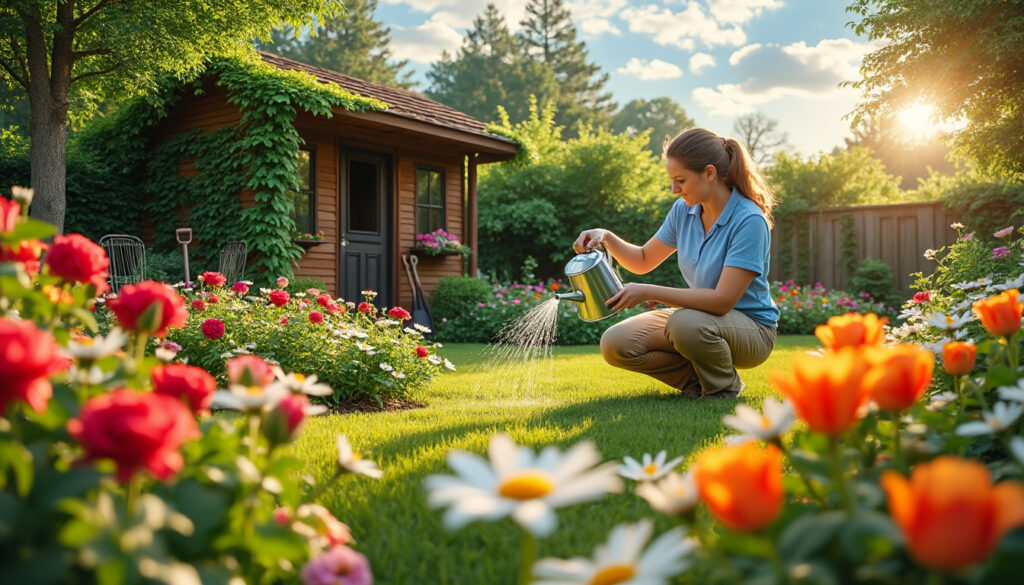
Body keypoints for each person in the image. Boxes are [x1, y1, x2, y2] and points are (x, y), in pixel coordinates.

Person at [572, 128, 779, 399]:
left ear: (709, 173)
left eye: (680, 180)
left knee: (684, 324)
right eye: (672, 181)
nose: (674, 190)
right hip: (699, 319)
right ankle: (697, 382)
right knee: (615, 343)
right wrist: (606, 237)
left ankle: (723, 388)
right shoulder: (684, 210)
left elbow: (722, 301)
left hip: (752, 329)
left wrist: (648, 292)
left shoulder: (749, 220)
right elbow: (643, 260)